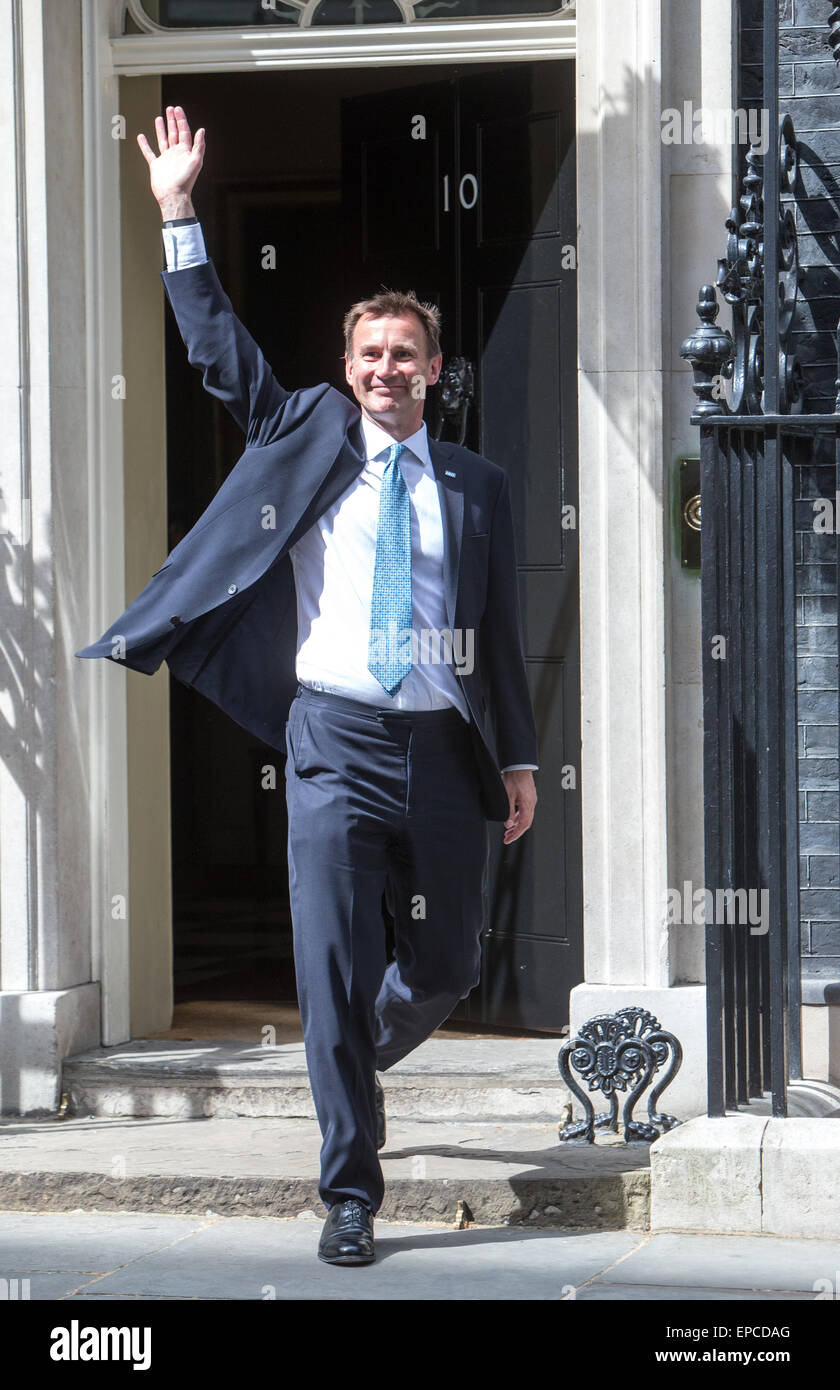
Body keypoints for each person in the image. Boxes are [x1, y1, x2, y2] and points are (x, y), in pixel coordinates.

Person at [76, 106, 538, 1266]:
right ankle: (350, 1192)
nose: (387, 370)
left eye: (406, 356)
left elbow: (501, 632)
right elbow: (217, 350)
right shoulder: (306, 432)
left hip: (439, 745)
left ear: (437, 371)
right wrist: (179, 211)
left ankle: (349, 1050)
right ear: (348, 370)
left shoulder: (475, 486)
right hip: (330, 734)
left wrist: (519, 757)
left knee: (444, 964)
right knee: (327, 963)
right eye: (369, 355)